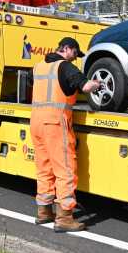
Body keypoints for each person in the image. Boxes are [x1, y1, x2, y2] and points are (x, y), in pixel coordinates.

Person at [31, 37, 100, 232]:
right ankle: (64, 218)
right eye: (75, 54)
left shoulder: (39, 66)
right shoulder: (65, 67)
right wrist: (97, 84)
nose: (75, 58)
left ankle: (44, 211)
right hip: (55, 122)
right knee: (65, 170)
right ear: (67, 49)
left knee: (44, 168)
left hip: (36, 121)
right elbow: (85, 87)